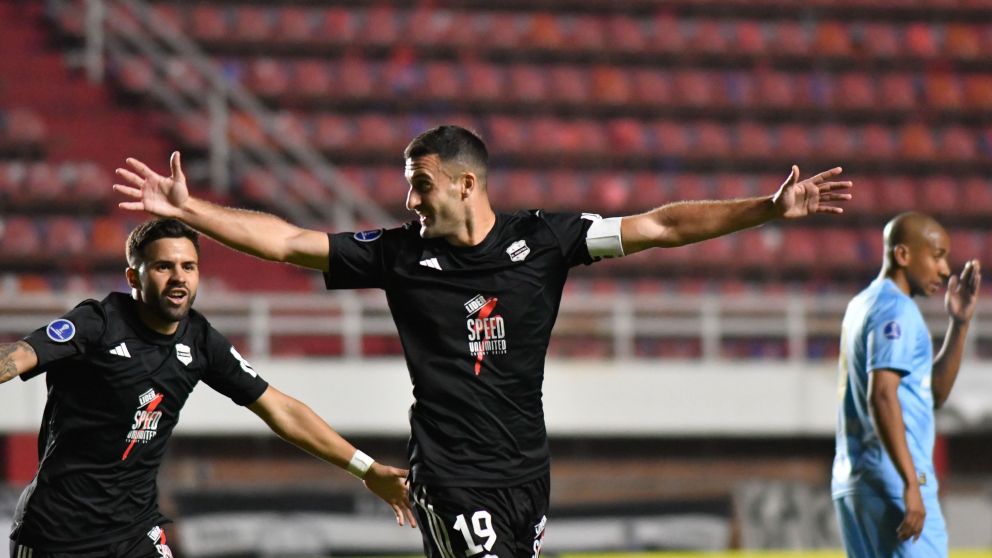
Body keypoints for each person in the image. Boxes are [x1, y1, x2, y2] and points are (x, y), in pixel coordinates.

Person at [114, 125, 852, 557]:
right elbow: (286, 243)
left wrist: (766, 208)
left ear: (466, 184)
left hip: (527, 471)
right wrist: (193, 212)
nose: (410, 200)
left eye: (421, 184)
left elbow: (660, 227)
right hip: (451, 473)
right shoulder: (399, 254)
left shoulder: (549, 239)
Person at [1, 218, 415, 558]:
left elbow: (280, 409)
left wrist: (367, 468)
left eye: (188, 266)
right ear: (134, 276)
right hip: (56, 535)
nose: (178, 277)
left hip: (134, 533)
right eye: (164, 266)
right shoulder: (98, 322)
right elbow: (19, 355)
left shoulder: (199, 340)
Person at [832, 212, 981, 557]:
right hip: (894, 479)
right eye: (937, 255)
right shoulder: (896, 311)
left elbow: (934, 395)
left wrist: (958, 324)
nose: (945, 271)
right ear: (902, 255)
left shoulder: (861, 305)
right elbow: (882, 395)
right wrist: (910, 482)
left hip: (854, 479)